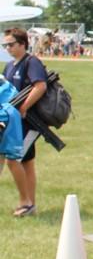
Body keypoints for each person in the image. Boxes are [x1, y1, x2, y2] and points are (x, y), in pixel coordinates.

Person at [3, 28, 46, 217]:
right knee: (26, 162)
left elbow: (40, 85)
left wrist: (24, 107)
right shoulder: (10, 65)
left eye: (11, 44)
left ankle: (25, 202)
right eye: (5, 45)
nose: (7, 48)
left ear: (23, 44)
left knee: (14, 160)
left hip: (28, 123)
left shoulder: (31, 62)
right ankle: (30, 204)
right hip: (13, 124)